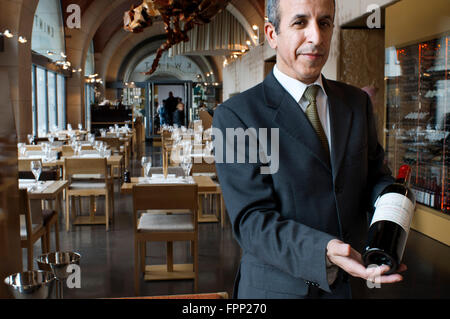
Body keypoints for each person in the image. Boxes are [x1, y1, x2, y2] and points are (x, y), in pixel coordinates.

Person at [213, 0, 406, 299]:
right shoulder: (235, 116)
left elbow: (374, 175)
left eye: (325, 23)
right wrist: (325, 250)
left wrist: (393, 207)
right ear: (272, 34)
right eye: (300, 23)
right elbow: (251, 221)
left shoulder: (356, 104)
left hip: (353, 283)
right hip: (277, 290)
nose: (316, 37)